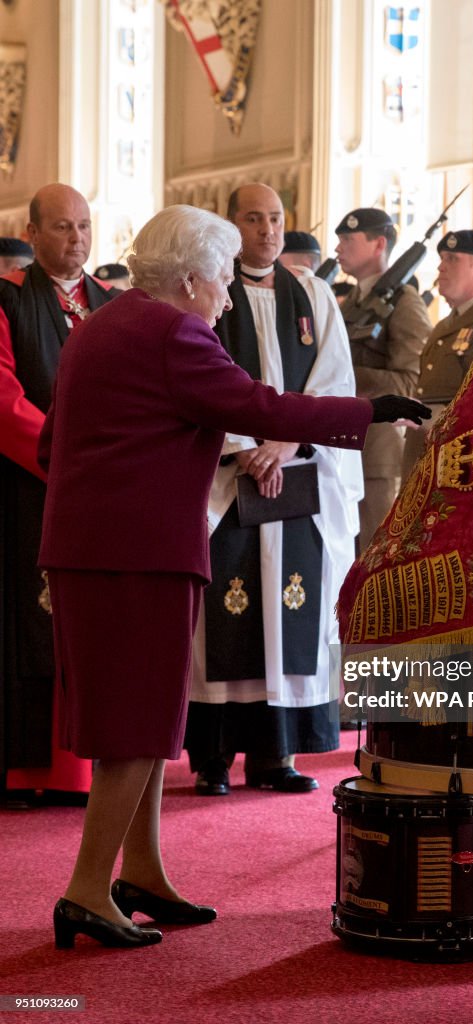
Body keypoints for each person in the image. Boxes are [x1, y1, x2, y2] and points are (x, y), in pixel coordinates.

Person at [38, 203, 428, 949]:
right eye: (220, 279)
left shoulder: (104, 324)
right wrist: (370, 408)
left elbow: (55, 440)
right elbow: (257, 404)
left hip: (100, 547)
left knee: (146, 717)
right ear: (188, 279)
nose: (225, 295)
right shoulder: (173, 330)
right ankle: (87, 891)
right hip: (137, 553)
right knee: (132, 726)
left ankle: (141, 872)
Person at [185, 183, 362, 796]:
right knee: (225, 613)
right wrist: (245, 446)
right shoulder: (207, 289)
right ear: (230, 226)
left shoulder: (311, 293)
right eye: (253, 219)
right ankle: (213, 758)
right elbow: (195, 374)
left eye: (276, 218)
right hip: (228, 476)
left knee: (290, 610)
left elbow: (334, 379)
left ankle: (275, 755)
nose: (267, 230)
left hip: (297, 473)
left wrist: (285, 444)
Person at [0, 184, 116, 805]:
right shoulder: (8, 299)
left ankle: (77, 768)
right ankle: (22, 770)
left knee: (86, 625)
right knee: (28, 623)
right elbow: (4, 399)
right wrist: (65, 460)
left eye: (84, 227)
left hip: (97, 493)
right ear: (34, 231)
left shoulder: (112, 303)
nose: (76, 239)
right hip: (26, 489)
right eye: (64, 227)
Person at [336, 207, 432, 548]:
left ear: (379, 244)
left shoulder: (405, 302)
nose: (338, 248)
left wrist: (345, 379)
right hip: (345, 445)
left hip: (378, 453)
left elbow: (410, 381)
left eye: (348, 239)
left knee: (376, 554)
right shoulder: (351, 304)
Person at [401, 229, 473, 479]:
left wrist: (430, 417)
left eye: (452, 259)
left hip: (463, 460)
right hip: (424, 456)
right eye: (441, 259)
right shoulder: (444, 325)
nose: (441, 267)